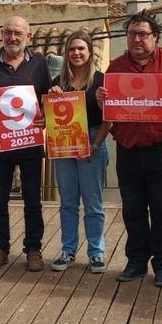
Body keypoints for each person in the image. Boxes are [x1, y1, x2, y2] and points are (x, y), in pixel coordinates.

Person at [96, 10, 162, 288]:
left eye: (142, 34)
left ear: (155, 36)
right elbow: (107, 108)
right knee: (132, 208)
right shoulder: (115, 67)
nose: (136, 39)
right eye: (131, 34)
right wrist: (99, 97)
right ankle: (136, 261)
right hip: (127, 147)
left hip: (161, 147)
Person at [0, 15, 51, 272]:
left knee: (32, 198)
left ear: (28, 36)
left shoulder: (39, 64)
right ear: (1, 34)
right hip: (0, 143)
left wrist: (46, 119)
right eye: (8, 32)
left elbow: (47, 99)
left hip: (30, 142)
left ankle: (33, 249)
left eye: (18, 33)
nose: (13, 37)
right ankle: (0, 249)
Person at [47, 30, 110, 274]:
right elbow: (48, 119)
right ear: (67, 52)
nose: (76, 53)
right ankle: (68, 250)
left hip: (93, 141)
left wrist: (93, 146)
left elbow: (109, 120)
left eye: (81, 49)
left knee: (93, 203)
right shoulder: (57, 83)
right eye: (72, 49)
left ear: (90, 51)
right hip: (64, 144)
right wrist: (51, 101)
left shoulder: (102, 82)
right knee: (68, 202)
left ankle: (96, 252)